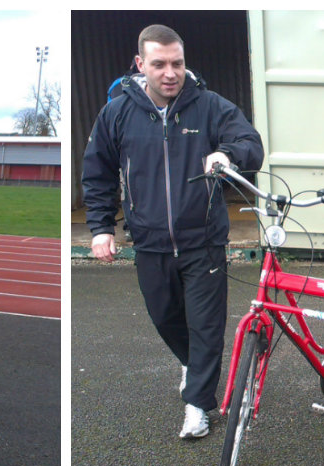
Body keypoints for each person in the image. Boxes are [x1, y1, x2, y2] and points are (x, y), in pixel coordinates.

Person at [82, 24, 264, 439]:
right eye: (159, 64)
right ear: (140, 64)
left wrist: (227, 153)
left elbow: (251, 143)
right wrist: (100, 228)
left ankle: (197, 407)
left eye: (177, 63)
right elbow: (97, 174)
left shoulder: (210, 107)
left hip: (204, 240)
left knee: (206, 325)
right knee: (165, 317)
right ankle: (192, 365)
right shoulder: (117, 112)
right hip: (150, 242)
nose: (170, 72)